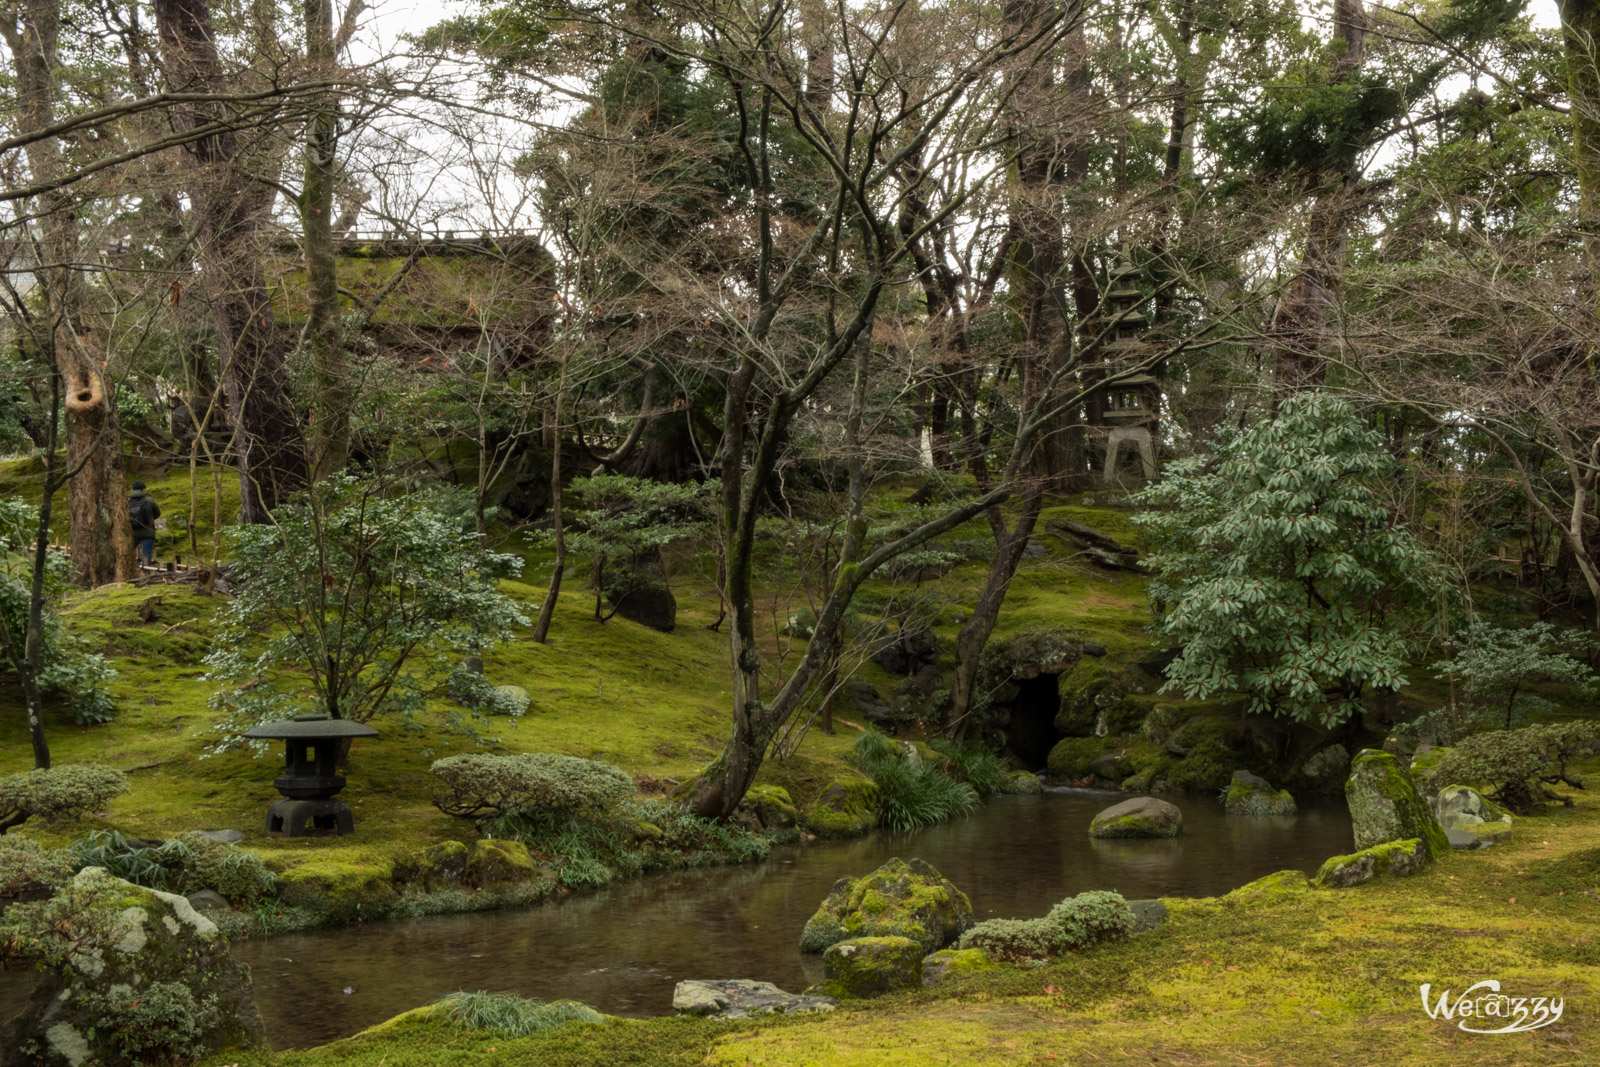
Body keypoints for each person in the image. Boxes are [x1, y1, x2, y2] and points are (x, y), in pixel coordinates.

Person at [129, 480, 161, 568]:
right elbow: (158, 513)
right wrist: (149, 519)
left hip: (133, 531)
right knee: (146, 555)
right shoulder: (149, 500)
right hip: (148, 532)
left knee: (127, 552)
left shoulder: (128, 501)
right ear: (143, 489)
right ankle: (145, 574)